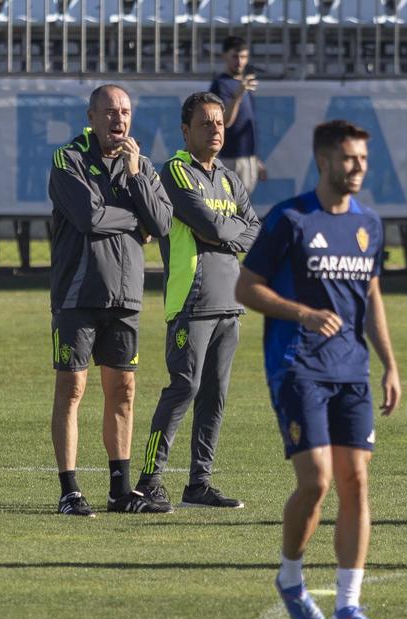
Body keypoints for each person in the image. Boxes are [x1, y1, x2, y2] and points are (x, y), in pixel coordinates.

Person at [236, 120, 401, 619]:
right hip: (298, 365)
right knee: (316, 481)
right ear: (324, 160)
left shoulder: (369, 223)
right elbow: (246, 288)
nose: (358, 168)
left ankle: (348, 606)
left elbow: (371, 296)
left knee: (356, 481)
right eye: (349, 158)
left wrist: (390, 363)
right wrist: (301, 313)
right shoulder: (290, 219)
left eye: (364, 160)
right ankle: (290, 577)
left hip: (352, 369)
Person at [48, 84, 173, 517]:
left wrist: (136, 177)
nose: (119, 119)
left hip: (125, 296)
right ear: (91, 117)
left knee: (123, 390)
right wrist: (136, 219)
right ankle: (69, 491)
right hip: (78, 293)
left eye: (125, 112)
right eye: (110, 111)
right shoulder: (68, 159)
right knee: (72, 388)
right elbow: (89, 216)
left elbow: (162, 223)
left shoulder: (142, 165)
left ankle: (120, 491)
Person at [134, 92, 261, 510]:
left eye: (219, 123)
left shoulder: (227, 178)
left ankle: (198, 484)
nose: (215, 130)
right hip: (192, 299)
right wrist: (229, 230)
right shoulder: (176, 172)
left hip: (229, 302)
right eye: (205, 123)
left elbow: (255, 230)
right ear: (186, 131)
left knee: (215, 396)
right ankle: (149, 480)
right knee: (184, 387)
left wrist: (227, 231)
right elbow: (213, 228)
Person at [209, 36, 266, 194]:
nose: (240, 62)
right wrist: (238, 95)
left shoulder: (243, 84)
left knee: (244, 204)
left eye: (244, 57)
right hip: (229, 157)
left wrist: (255, 158)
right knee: (229, 204)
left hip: (248, 158)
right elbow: (225, 122)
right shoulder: (220, 84)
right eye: (235, 56)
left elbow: (248, 122)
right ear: (224, 56)